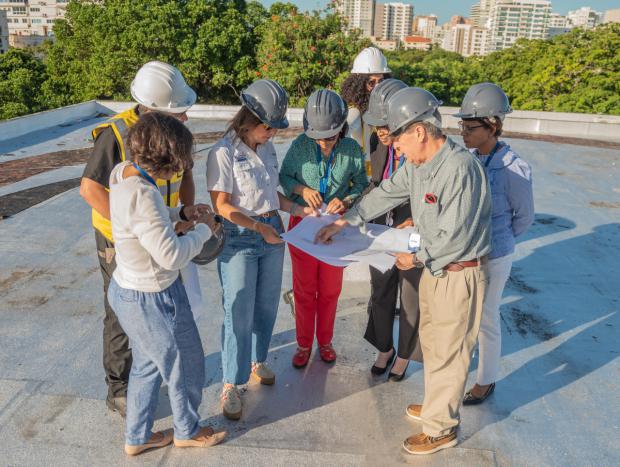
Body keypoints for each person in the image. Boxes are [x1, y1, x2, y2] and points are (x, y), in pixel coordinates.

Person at [315, 87, 492, 455]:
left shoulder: (460, 170)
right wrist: (346, 222)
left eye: (398, 138)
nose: (394, 147)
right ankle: (435, 406)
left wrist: (416, 256)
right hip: (436, 270)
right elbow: (385, 193)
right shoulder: (419, 166)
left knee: (449, 349)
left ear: (420, 132)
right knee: (432, 339)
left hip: (457, 272)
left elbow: (455, 237)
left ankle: (441, 428)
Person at [80, 61, 197, 418]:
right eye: (179, 113)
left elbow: (186, 176)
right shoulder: (116, 134)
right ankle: (119, 388)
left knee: (161, 305)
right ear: (155, 111)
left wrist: (187, 214)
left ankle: (154, 369)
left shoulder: (172, 135)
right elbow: (90, 188)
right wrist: (132, 233)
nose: (186, 119)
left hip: (163, 229)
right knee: (122, 312)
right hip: (119, 239)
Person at [107, 112, 226, 456]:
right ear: (166, 160)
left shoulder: (123, 174)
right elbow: (171, 256)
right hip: (154, 297)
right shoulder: (144, 194)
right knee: (185, 365)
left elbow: (148, 218)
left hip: (125, 290)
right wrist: (207, 229)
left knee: (146, 365)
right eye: (178, 163)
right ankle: (187, 430)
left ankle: (137, 436)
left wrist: (182, 214)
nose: (179, 170)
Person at [207, 79, 317, 421]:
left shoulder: (266, 149)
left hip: (272, 231)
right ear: (250, 119)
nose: (273, 134)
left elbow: (273, 197)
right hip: (242, 235)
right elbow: (222, 205)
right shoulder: (222, 152)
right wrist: (258, 228)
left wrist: (299, 210)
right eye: (269, 127)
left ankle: (257, 361)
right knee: (237, 310)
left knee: (267, 304)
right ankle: (230, 383)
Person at [454, 83, 534, 405]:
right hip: (468, 252)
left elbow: (524, 217)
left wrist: (499, 240)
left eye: (470, 127)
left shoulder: (514, 169)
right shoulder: (467, 159)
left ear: (493, 126)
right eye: (462, 126)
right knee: (462, 316)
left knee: (486, 317)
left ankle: (485, 380)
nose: (464, 133)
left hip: (495, 255)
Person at [279, 89, 369, 369]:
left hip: (335, 228)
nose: (324, 144)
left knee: (330, 290)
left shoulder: (352, 149)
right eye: (317, 138)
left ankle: (325, 341)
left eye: (329, 137)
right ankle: (304, 344)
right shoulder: (299, 145)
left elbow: (362, 185)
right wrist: (302, 190)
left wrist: (346, 200)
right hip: (303, 224)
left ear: (341, 128)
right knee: (304, 290)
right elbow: (284, 176)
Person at [362, 79, 423, 382]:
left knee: (410, 297)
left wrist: (416, 221)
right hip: (381, 229)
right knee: (381, 291)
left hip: (411, 233)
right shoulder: (376, 143)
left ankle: (403, 354)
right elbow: (376, 185)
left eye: (385, 127)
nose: (381, 134)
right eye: (376, 128)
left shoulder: (421, 149)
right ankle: (383, 347)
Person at [341, 46, 392, 175]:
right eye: (371, 82)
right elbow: (347, 124)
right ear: (359, 83)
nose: (377, 87)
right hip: (362, 175)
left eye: (381, 81)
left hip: (384, 171)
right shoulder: (354, 111)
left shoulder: (388, 105)